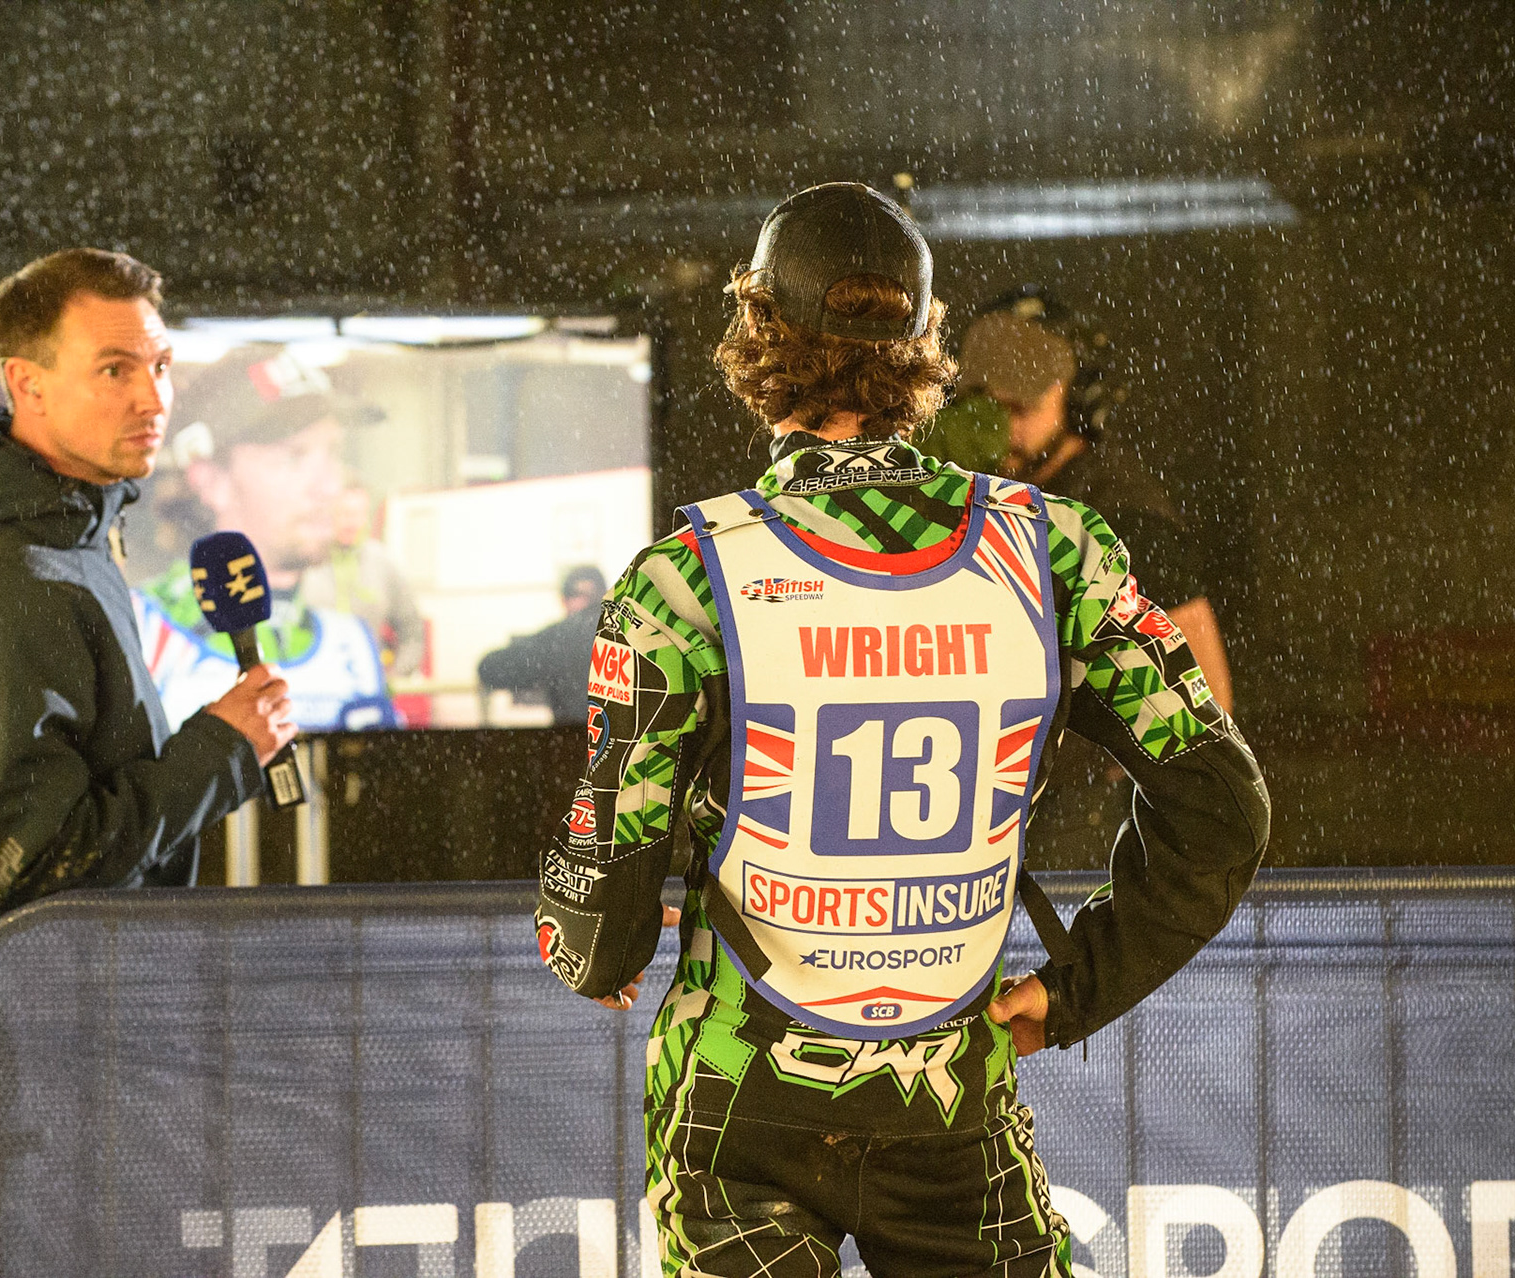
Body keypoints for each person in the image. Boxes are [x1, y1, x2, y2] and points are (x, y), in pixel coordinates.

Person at [532, 183, 1269, 1278]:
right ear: (926, 352)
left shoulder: (684, 583)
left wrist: (588, 945)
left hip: (739, 1113)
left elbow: (597, 930)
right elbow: (1223, 808)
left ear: (757, 340)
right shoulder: (1053, 551)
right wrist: (1076, 987)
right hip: (951, 1103)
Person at [0, 249, 295, 931]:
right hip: (16, 1030)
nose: (153, 397)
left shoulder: (67, 542)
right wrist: (220, 752)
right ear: (27, 384)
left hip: (76, 1011)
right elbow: (29, 872)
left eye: (160, 365)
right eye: (114, 370)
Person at [957, 287, 1234, 710]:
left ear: (1079, 395)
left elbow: (1206, 708)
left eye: (1021, 402)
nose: (999, 418)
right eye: (987, 398)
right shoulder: (987, 498)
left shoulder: (1128, 517)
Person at [132, 345, 399, 733]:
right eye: (293, 456)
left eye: (333, 452)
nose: (328, 486)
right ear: (211, 480)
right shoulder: (138, 632)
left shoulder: (351, 644)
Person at [299, 481, 425, 679]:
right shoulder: (303, 562)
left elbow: (413, 631)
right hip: (313, 683)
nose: (351, 522)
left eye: (359, 514)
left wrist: (393, 678)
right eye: (343, 513)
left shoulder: (383, 564)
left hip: (366, 688)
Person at [476, 565, 606, 723]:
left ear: (564, 600)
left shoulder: (559, 639)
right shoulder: (632, 636)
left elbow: (490, 668)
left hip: (576, 738)